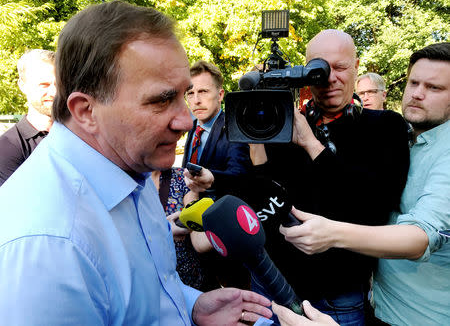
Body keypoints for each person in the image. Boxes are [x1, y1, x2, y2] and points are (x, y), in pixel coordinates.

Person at [0, 1, 272, 325]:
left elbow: (145, 290)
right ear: (87, 111)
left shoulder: (129, 166)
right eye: (162, 100)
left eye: (184, 95)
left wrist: (191, 306)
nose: (186, 120)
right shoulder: (49, 245)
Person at [278, 42, 450, 326]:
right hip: (379, 306)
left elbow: (420, 236)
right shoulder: (413, 139)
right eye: (414, 82)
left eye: (434, 88)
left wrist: (331, 233)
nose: (417, 94)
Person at [249, 29, 410, 325]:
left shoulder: (385, 126)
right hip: (273, 283)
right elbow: (266, 194)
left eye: (340, 67)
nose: (330, 77)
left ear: (357, 66)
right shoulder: (286, 124)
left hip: (337, 296)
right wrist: (256, 132)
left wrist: (311, 144)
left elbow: (374, 203)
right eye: (319, 69)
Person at [182, 60, 252, 197]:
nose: (196, 100)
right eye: (190, 93)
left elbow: (240, 175)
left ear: (220, 95)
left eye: (203, 91)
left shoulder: (234, 128)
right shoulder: (192, 127)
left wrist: (213, 178)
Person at [0, 49, 56, 185]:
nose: (54, 92)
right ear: (23, 86)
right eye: (44, 85)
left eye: (58, 84)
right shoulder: (8, 148)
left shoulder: (81, 134)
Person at [151, 167, 209, 291]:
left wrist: (221, 232)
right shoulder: (123, 185)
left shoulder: (180, 177)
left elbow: (199, 241)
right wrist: (164, 232)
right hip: (150, 283)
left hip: (188, 280)